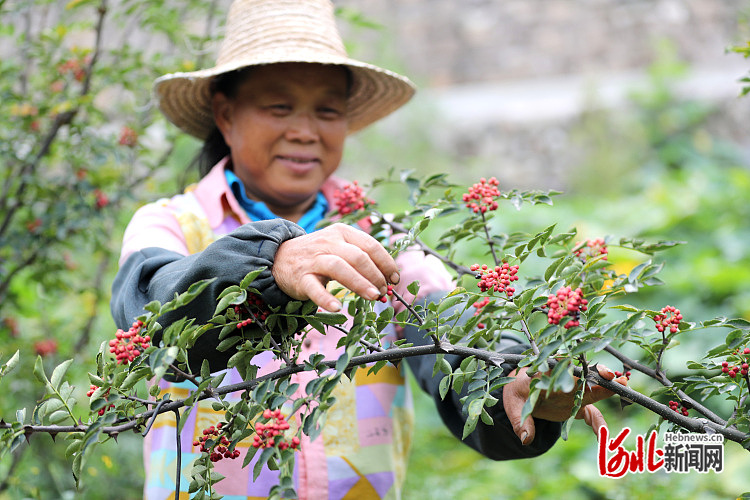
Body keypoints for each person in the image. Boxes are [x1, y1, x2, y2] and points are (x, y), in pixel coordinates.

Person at [110, 0, 626, 498]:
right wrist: (271, 264)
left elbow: (453, 342)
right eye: (279, 106)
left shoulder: (386, 241)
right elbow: (151, 310)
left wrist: (521, 388)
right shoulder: (169, 225)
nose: (305, 130)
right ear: (225, 115)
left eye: (327, 110)